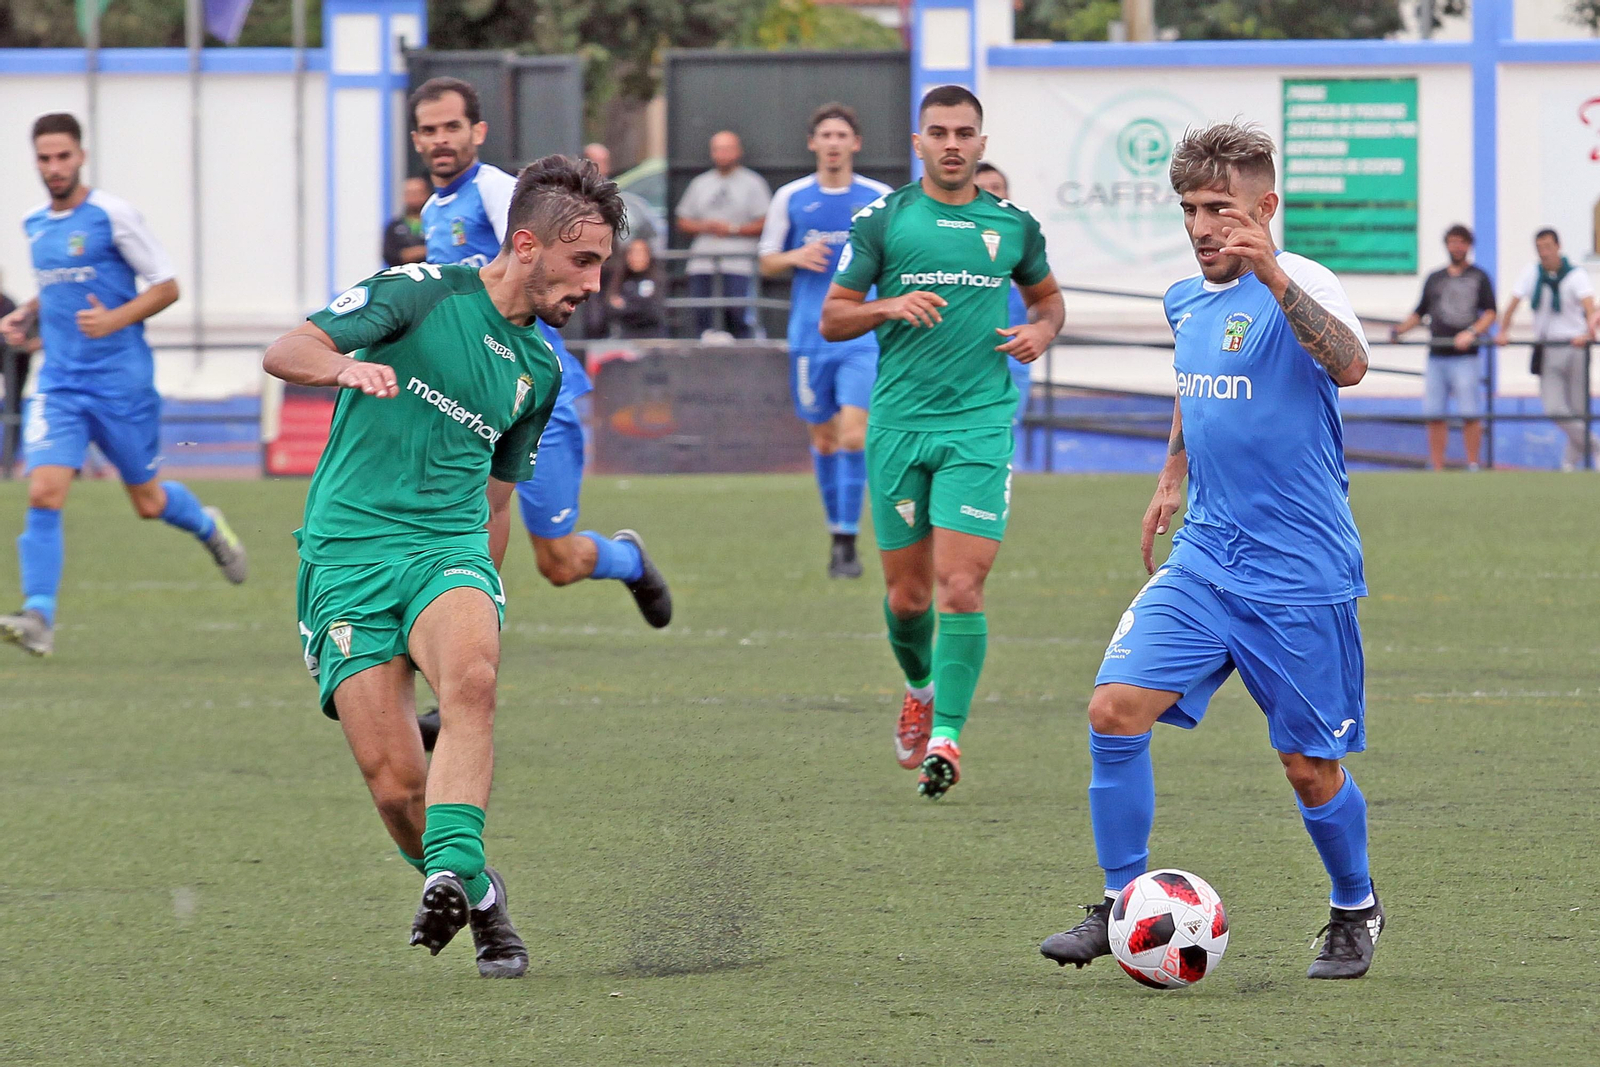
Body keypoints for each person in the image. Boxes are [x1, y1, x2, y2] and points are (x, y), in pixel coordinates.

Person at [1037, 121, 1384, 980]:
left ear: (1266, 208)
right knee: (1114, 708)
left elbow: (1349, 365)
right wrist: (1170, 471)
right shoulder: (1184, 299)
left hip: (1300, 574)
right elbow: (1200, 389)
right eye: (1189, 208)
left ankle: (1354, 904)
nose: (1201, 227)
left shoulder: (1300, 281)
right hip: (1206, 558)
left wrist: (1271, 271)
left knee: (1308, 766)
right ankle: (1123, 904)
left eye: (1220, 209)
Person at [262, 155, 622, 976]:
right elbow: (288, 348)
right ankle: (480, 892)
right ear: (527, 244)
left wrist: (484, 597)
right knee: (395, 788)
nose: (595, 285)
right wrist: (342, 365)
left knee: (472, 681)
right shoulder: (419, 291)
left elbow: (497, 502)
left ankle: (451, 869)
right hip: (347, 555)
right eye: (584, 261)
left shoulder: (541, 371)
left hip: (444, 550)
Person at [820, 85, 1064, 799]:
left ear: (981, 144)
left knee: (963, 586)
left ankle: (948, 735)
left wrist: (1041, 330)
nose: (952, 143)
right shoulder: (883, 220)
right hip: (898, 425)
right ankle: (920, 686)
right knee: (907, 597)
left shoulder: (1012, 227)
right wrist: (888, 304)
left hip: (980, 425)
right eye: (939, 132)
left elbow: (1049, 300)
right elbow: (833, 319)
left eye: (965, 132)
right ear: (919, 143)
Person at [410, 78, 671, 630]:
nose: (441, 139)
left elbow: (566, 240)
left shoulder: (493, 191)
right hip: (477, 397)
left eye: (452, 127)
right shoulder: (435, 209)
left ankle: (626, 559)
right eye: (429, 130)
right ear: (415, 139)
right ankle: (461, 638)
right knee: (465, 522)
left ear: (477, 131)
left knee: (557, 561)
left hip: (536, 394)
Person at [0, 112, 247, 658]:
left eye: (63, 156)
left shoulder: (113, 216)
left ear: (81, 156)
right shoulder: (34, 224)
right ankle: (39, 614)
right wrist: (28, 314)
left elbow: (167, 286)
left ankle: (208, 526)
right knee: (43, 490)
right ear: (35, 161)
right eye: (44, 158)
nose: (54, 167)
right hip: (60, 384)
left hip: (121, 384)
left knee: (147, 500)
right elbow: (58, 286)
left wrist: (114, 319)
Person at [758, 103, 893, 579]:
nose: (834, 143)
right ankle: (837, 529)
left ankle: (847, 543)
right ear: (813, 144)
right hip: (809, 336)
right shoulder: (791, 197)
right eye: (825, 135)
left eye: (842, 135)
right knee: (825, 438)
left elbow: (899, 255)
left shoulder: (880, 197)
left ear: (855, 144)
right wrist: (797, 255)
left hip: (861, 334)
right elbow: (766, 260)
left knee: (855, 435)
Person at [1390, 225, 1497, 471]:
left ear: (1469, 245)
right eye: (1452, 241)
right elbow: (1419, 312)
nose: (1456, 246)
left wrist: (1471, 333)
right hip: (1436, 355)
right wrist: (1399, 331)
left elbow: (1490, 313)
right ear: (1446, 245)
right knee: (1434, 413)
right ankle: (1436, 465)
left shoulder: (1480, 277)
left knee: (1470, 412)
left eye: (1461, 242)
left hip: (1466, 357)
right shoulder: (1435, 278)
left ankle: (1473, 464)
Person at [1499, 228, 1599, 471]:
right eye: (1539, 247)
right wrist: (1504, 330)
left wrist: (1588, 333)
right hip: (1548, 346)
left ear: (1558, 246)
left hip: (1575, 346)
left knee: (1578, 410)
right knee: (1555, 408)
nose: (1543, 252)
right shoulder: (1532, 273)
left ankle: (1568, 464)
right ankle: (1596, 446)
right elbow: (1513, 302)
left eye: (1547, 246)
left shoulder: (1575, 276)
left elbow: (1589, 307)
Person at [675, 131, 771, 339]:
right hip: (702, 262)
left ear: (738, 151)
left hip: (739, 264)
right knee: (702, 316)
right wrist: (706, 226)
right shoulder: (700, 183)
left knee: (739, 316)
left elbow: (766, 222)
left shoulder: (753, 183)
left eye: (727, 149)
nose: (722, 154)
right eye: (718, 149)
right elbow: (682, 220)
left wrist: (733, 229)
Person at [973, 162, 1035, 425]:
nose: (991, 194)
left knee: (1002, 441)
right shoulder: (948, 243)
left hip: (1012, 364)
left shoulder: (1023, 239)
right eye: (982, 189)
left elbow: (1044, 301)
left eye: (996, 188)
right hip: (965, 363)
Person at [581, 143, 658, 250]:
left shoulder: (629, 202)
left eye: (605, 162)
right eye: (595, 162)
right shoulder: (574, 199)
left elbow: (651, 233)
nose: (601, 168)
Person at [605, 237, 666, 338]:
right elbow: (609, 308)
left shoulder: (657, 279)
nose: (636, 257)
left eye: (640, 253)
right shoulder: (619, 280)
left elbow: (651, 311)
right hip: (625, 336)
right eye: (632, 253)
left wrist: (625, 305)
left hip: (651, 337)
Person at [382, 176, 430, 267]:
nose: (413, 197)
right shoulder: (394, 227)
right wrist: (420, 251)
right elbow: (390, 255)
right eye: (409, 193)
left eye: (417, 193)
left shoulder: (435, 223)